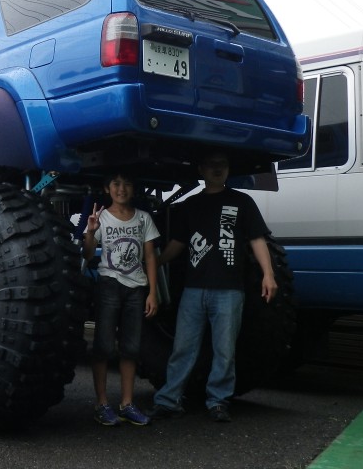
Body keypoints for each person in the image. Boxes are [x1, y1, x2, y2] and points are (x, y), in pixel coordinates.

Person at [149, 151, 278, 423]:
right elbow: (178, 244)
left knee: (224, 351)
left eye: (222, 165)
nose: (217, 169)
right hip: (193, 291)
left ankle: (218, 402)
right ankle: (168, 400)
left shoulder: (242, 202)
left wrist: (268, 275)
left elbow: (257, 239)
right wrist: (155, 262)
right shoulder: (190, 205)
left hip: (230, 291)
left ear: (228, 169)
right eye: (211, 165)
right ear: (201, 169)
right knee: (183, 349)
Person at [82, 173, 160, 426]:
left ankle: (127, 403)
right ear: (107, 188)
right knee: (103, 346)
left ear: (133, 188)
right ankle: (101, 404)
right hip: (109, 286)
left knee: (131, 348)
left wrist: (152, 292)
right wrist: (91, 231)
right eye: (116, 184)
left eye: (127, 183)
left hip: (136, 288)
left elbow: (150, 257)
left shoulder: (143, 218)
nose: (121, 189)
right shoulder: (101, 217)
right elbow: (87, 253)